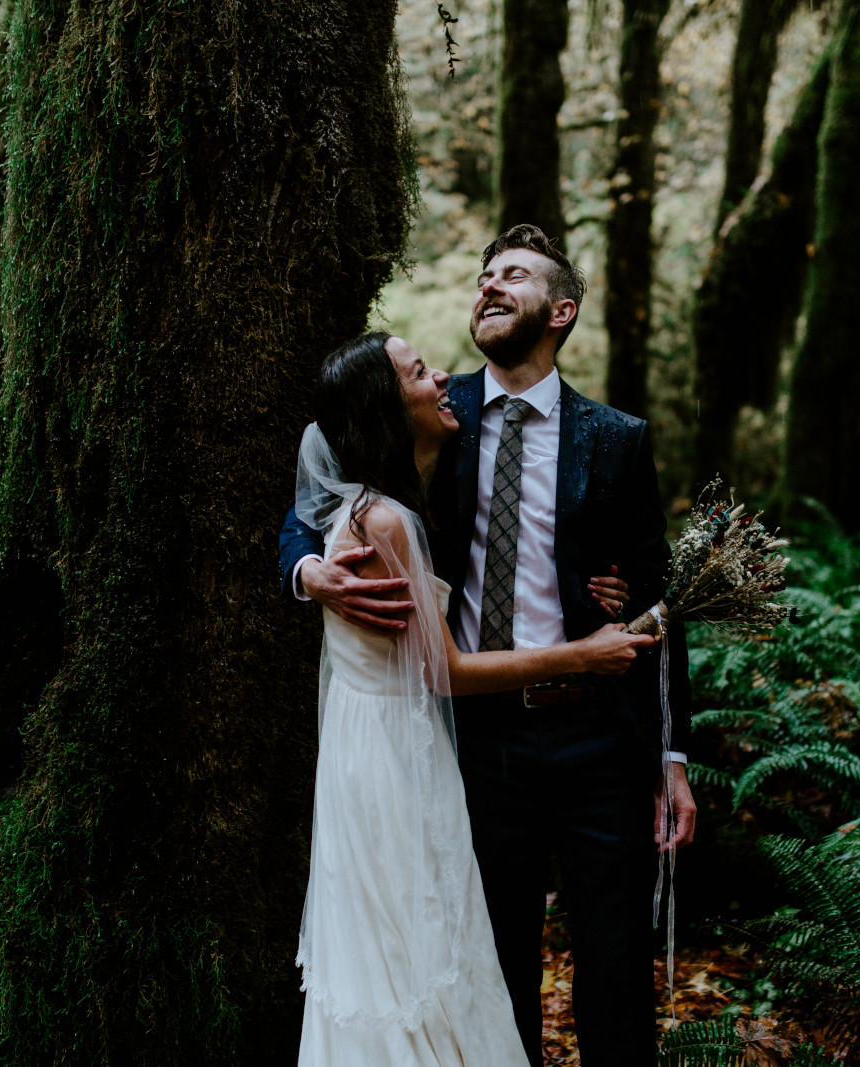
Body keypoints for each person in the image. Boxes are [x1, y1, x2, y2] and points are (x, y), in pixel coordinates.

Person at [280, 224, 696, 1067]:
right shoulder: (432, 413)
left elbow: (661, 600)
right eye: (484, 274)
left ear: (560, 310)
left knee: (615, 968)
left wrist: (673, 756)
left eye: (515, 275)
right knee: (489, 961)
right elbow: (310, 507)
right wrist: (311, 571)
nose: (490, 284)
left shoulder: (616, 439)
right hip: (477, 736)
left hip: (595, 738)